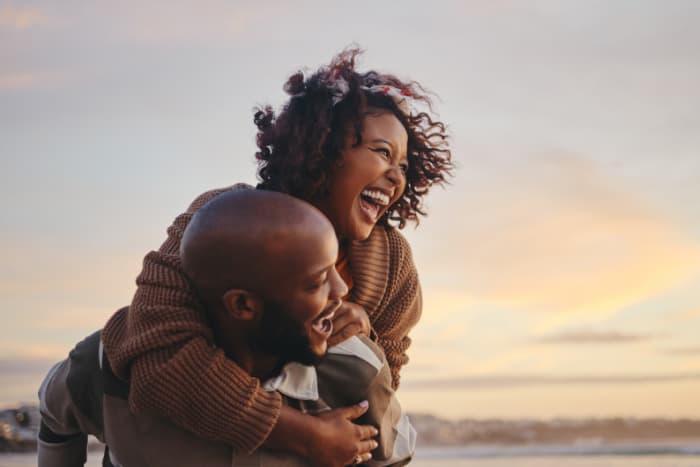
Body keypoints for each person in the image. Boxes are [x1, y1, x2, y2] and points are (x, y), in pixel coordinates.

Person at [101, 47, 452, 466]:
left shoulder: (392, 264)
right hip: (177, 442)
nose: (397, 176)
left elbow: (379, 395)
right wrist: (304, 435)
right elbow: (159, 360)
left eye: (404, 165)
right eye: (381, 152)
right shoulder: (221, 220)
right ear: (324, 148)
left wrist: (367, 341)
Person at [38, 189, 415, 467]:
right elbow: (54, 412)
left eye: (337, 267)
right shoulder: (113, 362)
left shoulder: (356, 370)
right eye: (318, 281)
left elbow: (394, 458)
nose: (343, 290)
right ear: (242, 304)